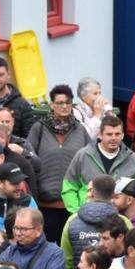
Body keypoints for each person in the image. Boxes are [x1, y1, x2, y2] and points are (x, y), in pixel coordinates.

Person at [26, 84, 90, 243]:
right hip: (45, 205)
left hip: (74, 207)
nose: (64, 106)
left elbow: (89, 161)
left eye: (67, 102)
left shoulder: (80, 130)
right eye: (59, 103)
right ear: (52, 105)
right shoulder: (39, 128)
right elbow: (28, 158)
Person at [61, 115, 135, 214]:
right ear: (100, 135)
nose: (113, 138)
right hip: (88, 216)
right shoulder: (83, 155)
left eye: (117, 134)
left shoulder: (133, 159)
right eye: (109, 134)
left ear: (123, 135)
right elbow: (69, 188)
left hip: (120, 219)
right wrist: (77, 213)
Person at [0, 207, 65, 269]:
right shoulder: (8, 253)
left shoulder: (55, 254)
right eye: (16, 228)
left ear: (38, 230)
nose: (18, 233)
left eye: (23, 229)